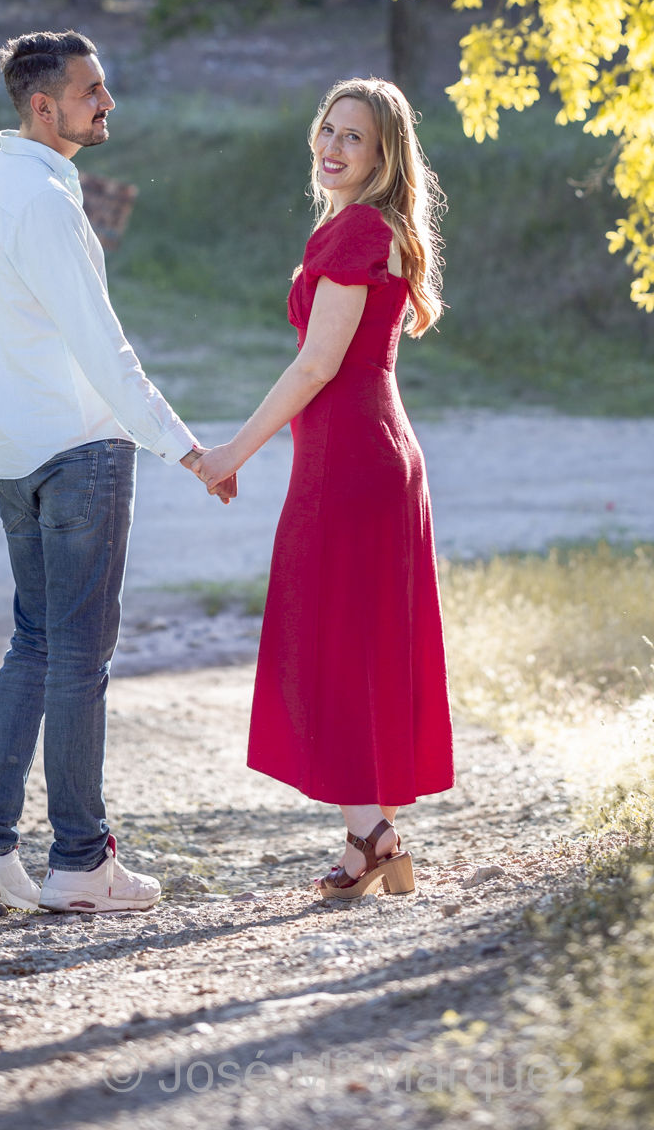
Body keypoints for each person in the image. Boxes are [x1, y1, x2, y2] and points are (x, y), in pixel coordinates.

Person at [0, 29, 220, 915]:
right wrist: (183, 446)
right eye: (91, 91)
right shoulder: (43, 202)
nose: (107, 104)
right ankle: (80, 861)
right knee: (78, 658)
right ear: (43, 106)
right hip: (78, 450)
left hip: (14, 451)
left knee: (35, 643)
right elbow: (101, 346)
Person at [195, 76, 454, 901]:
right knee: (349, 642)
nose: (333, 148)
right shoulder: (359, 228)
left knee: (331, 642)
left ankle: (374, 834)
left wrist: (233, 450)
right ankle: (365, 836)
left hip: (352, 460)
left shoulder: (357, 232)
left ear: (383, 156)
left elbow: (317, 364)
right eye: (328, 131)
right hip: (368, 451)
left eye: (355, 139)